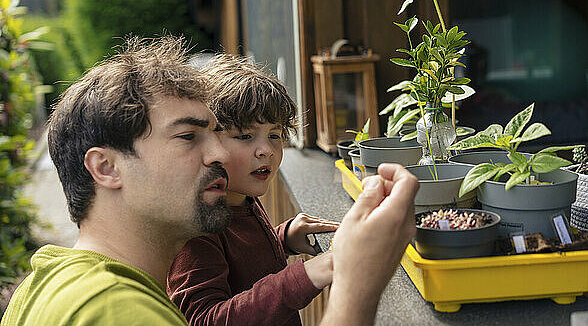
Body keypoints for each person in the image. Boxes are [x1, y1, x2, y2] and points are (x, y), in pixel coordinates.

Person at [0, 35, 419, 326]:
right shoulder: (117, 313)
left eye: (216, 132)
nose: (219, 154)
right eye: (188, 136)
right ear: (107, 168)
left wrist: (282, 237)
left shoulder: (46, 280)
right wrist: (353, 279)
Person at [167, 56, 339, 326]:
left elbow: (241, 267)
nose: (267, 150)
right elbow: (204, 319)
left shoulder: (241, 197)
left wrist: (282, 239)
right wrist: (307, 275)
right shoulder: (198, 227)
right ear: (208, 143)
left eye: (275, 134)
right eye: (245, 136)